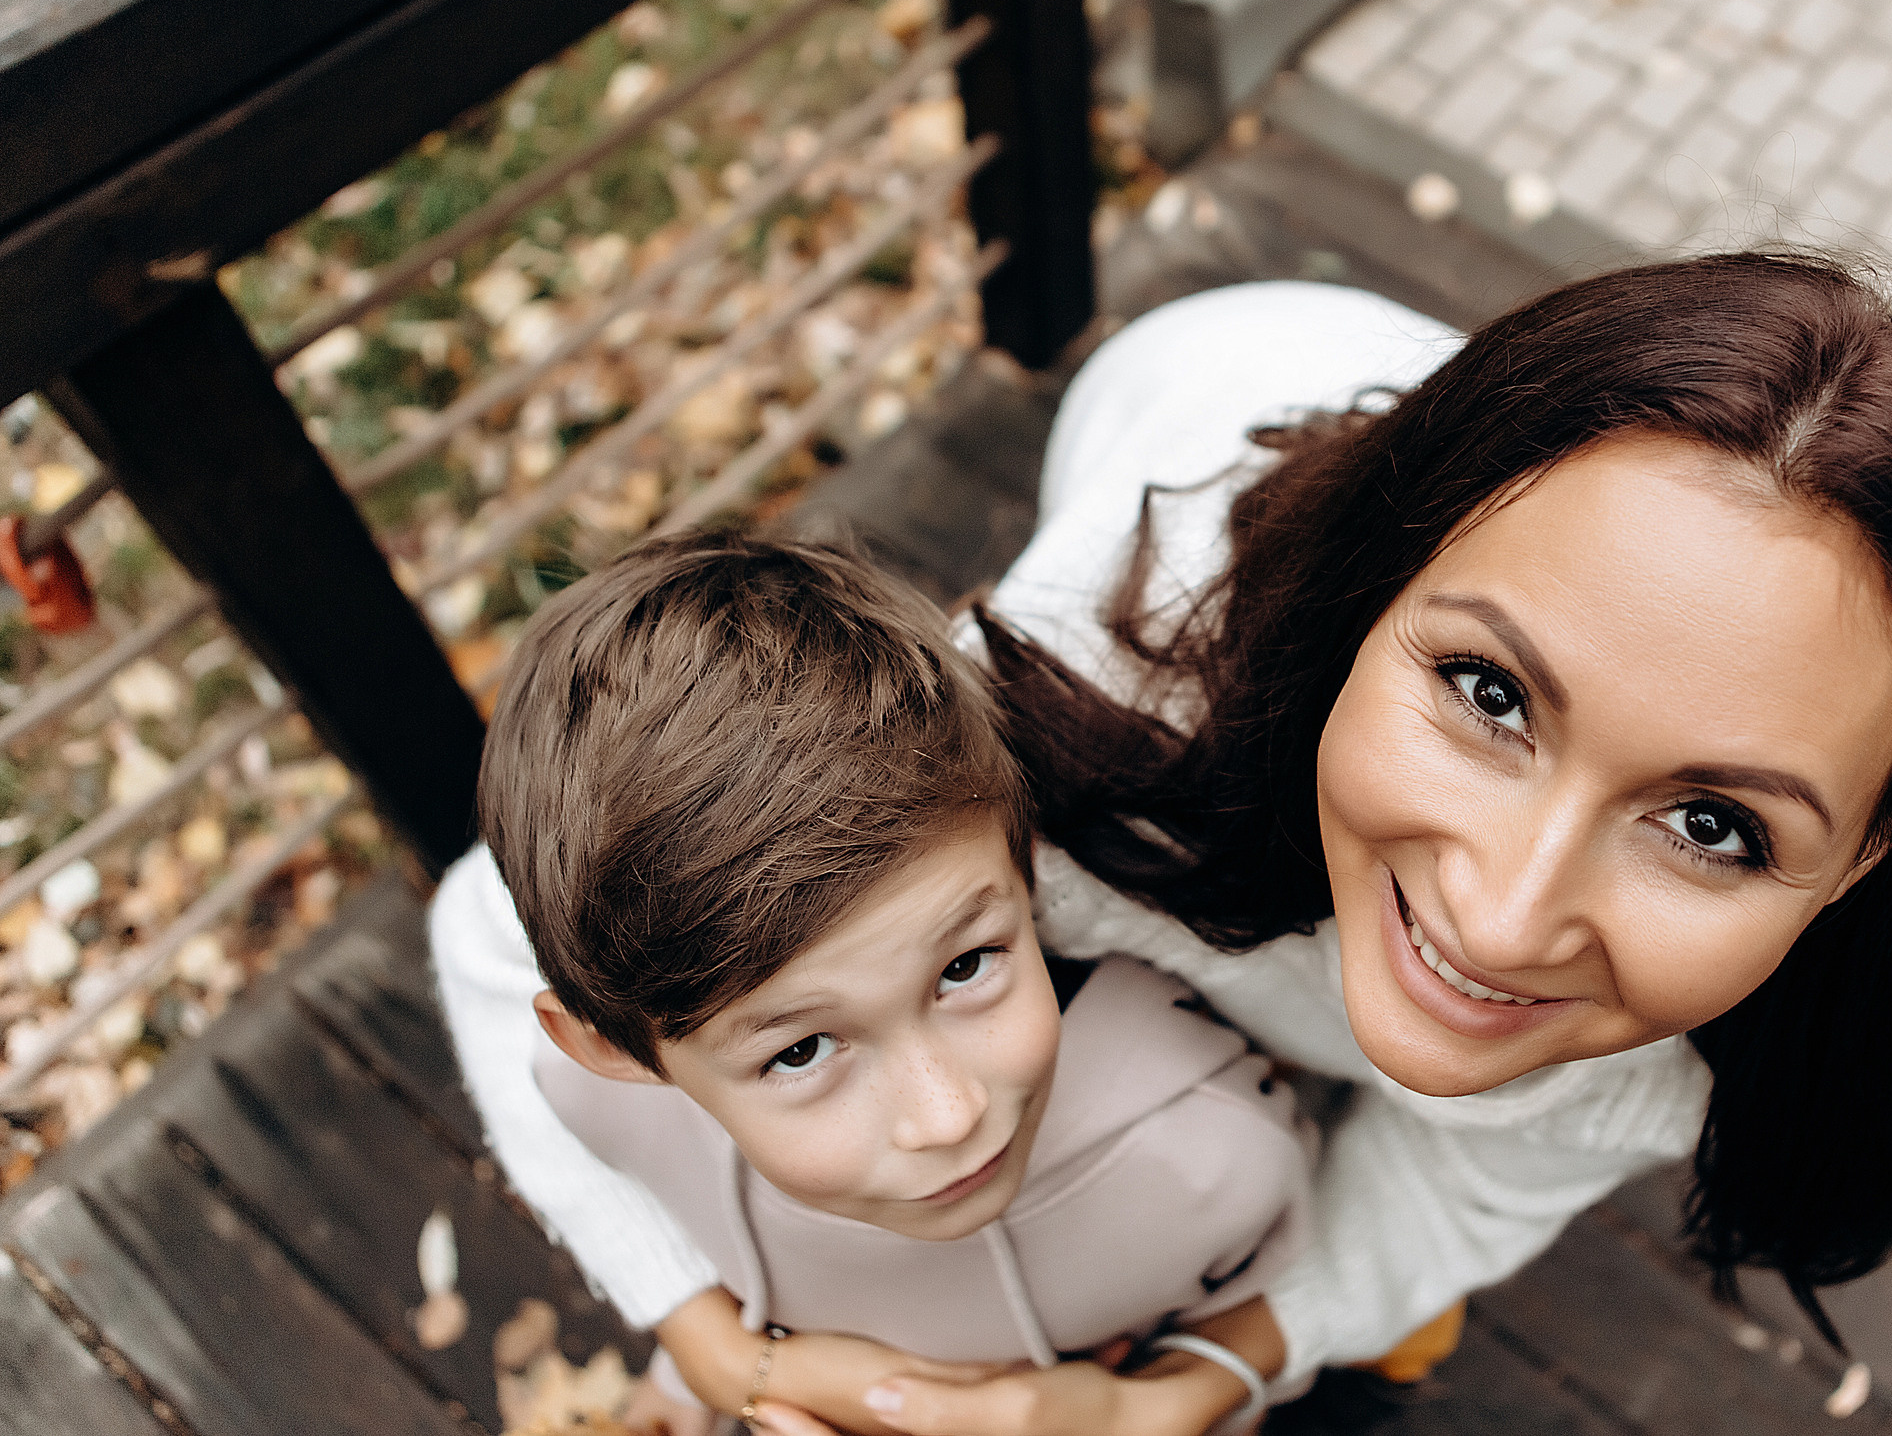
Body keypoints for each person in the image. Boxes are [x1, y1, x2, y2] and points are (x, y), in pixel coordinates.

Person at [432, 254, 1892, 1436]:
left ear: (1868, 857)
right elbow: (498, 922)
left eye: (1714, 823)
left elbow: (1460, 1177)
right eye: (1488, 691)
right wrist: (701, 1326)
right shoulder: (1077, 694)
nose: (1505, 916)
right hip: (1212, 371)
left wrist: (1210, 1373)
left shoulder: (1738, 1039)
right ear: (1369, 598)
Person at [469, 533, 1311, 1436]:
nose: (947, 1116)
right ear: (614, 1047)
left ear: (1025, 861)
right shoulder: (593, 1103)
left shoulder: (1216, 1157)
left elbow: (1284, 1297)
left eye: (964, 966)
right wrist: (704, 1366)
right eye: (799, 1051)